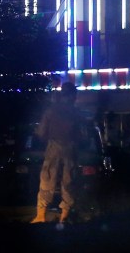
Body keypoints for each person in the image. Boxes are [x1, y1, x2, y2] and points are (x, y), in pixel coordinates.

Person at [31, 82, 81, 224]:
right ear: (72, 95)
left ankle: (41, 216)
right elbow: (81, 136)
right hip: (70, 149)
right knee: (68, 181)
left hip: (54, 147)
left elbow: (41, 133)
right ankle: (64, 216)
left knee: (47, 179)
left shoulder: (51, 111)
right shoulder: (75, 113)